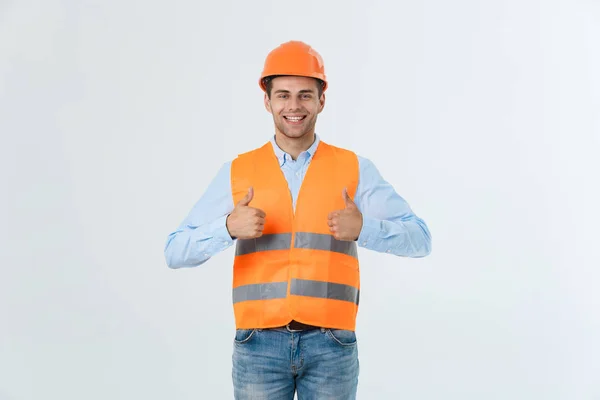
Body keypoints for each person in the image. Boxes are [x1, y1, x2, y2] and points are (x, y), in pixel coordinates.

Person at [164, 40, 432, 400]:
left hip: (331, 344)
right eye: (283, 95)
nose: (294, 106)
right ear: (267, 101)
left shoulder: (354, 169)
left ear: (322, 100)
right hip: (258, 344)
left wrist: (364, 229)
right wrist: (226, 228)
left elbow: (420, 239)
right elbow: (175, 251)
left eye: (305, 95)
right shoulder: (238, 171)